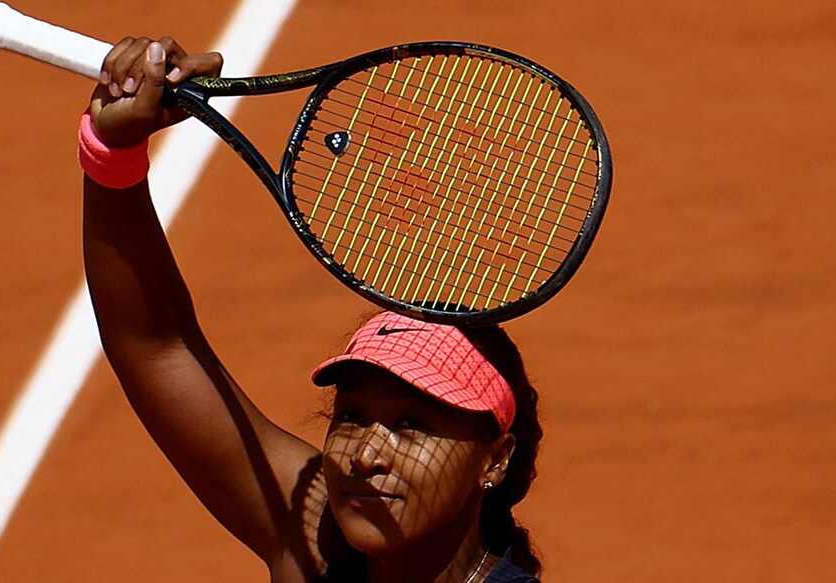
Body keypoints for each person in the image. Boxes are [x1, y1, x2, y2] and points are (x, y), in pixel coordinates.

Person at [80, 35, 545, 582]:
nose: (367, 455)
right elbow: (156, 343)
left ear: (494, 458)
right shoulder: (316, 539)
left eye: (412, 425)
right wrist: (112, 152)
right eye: (351, 415)